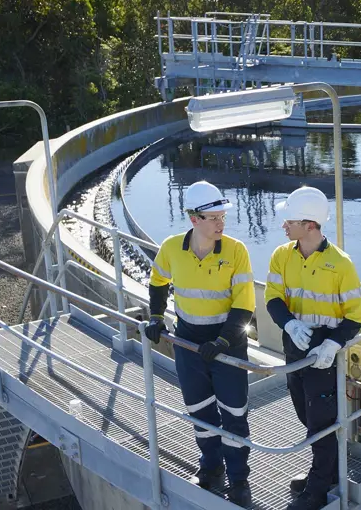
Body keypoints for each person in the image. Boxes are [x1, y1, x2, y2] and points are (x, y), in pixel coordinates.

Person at [144, 181, 256, 507]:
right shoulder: (170, 248)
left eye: (223, 216)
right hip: (188, 343)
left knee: (234, 414)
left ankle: (239, 481)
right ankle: (211, 469)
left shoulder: (236, 251)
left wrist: (223, 340)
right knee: (200, 411)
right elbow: (158, 281)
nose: (222, 223)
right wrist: (155, 317)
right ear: (194, 219)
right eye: (214, 218)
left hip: (227, 344)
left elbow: (244, 305)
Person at [264, 186, 361, 510]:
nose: (284, 226)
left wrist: (334, 344)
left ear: (310, 225)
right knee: (306, 417)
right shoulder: (282, 255)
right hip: (294, 352)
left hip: (324, 358)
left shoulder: (341, 264)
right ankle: (327, 473)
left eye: (290, 221)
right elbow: (272, 298)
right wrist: (289, 324)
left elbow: (357, 315)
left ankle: (317, 490)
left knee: (322, 425)